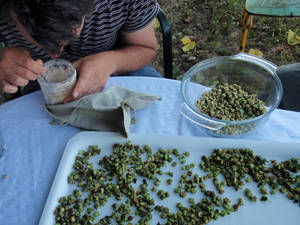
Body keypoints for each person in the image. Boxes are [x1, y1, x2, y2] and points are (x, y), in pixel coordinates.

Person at [0, 0, 162, 103]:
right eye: (39, 38)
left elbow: (145, 48)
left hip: (119, 61)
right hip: (39, 81)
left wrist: (110, 62)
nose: (54, 56)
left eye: (66, 37)